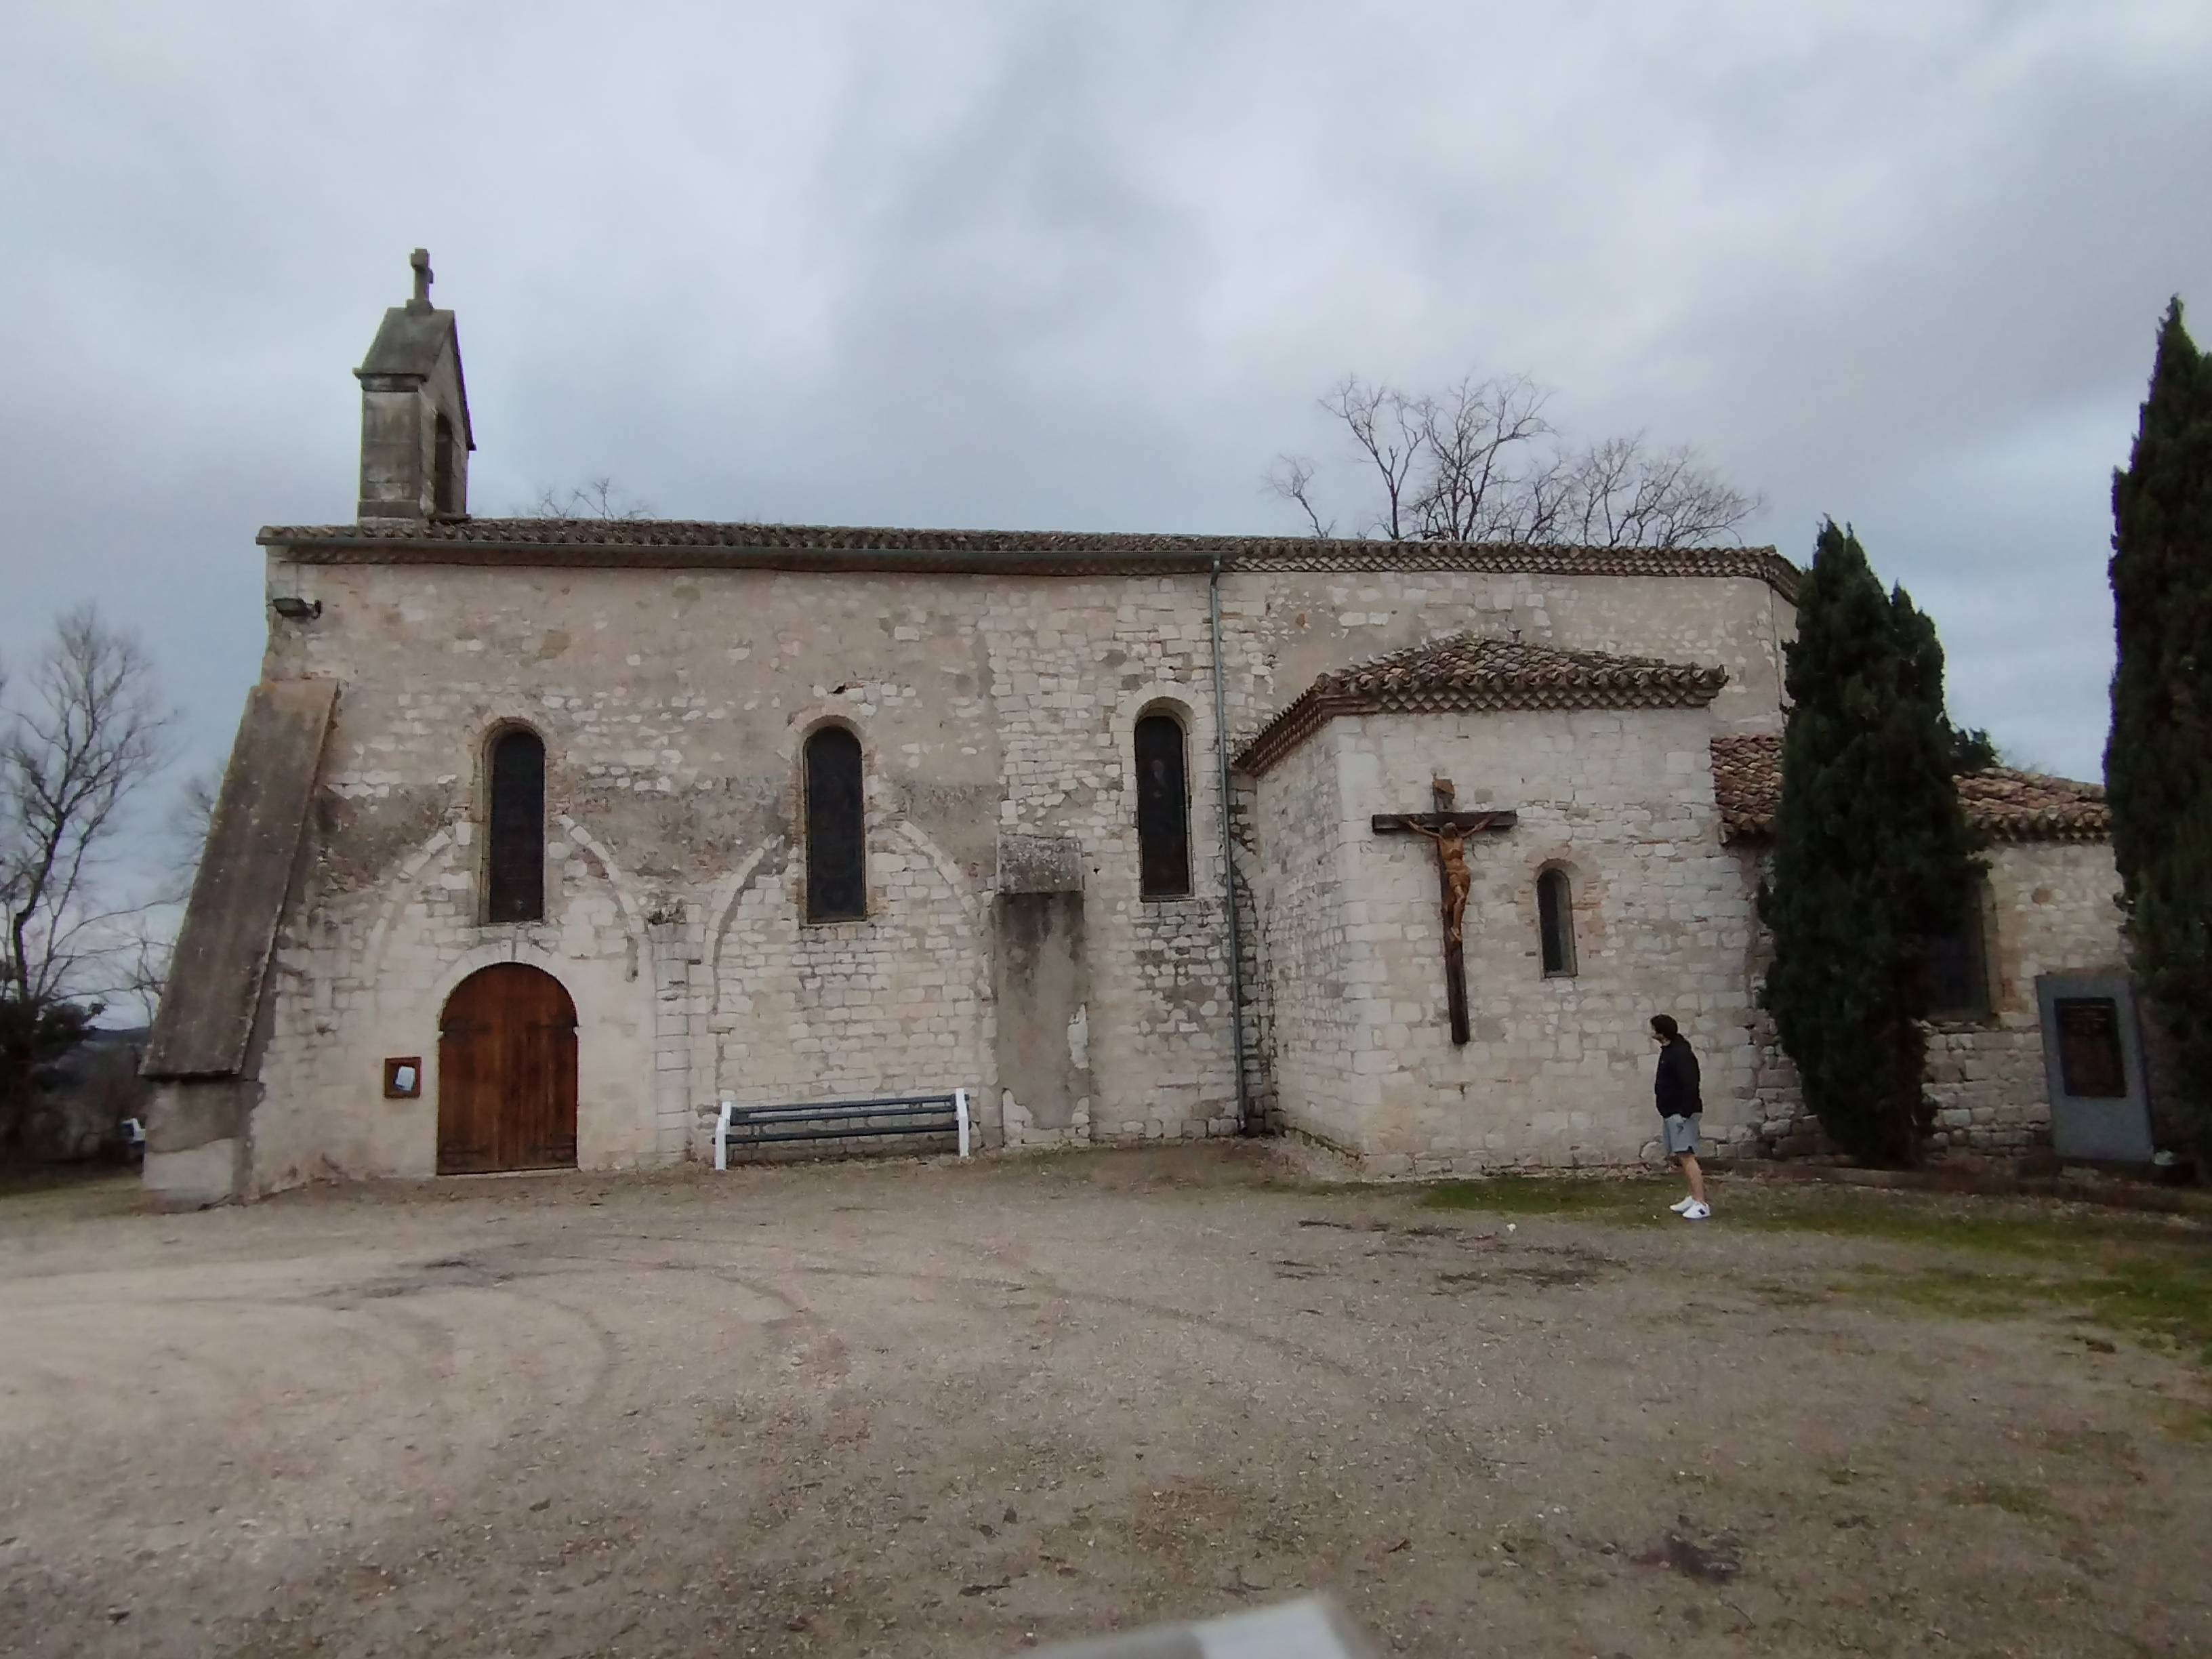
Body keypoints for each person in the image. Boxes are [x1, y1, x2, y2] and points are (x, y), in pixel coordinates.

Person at [1650, 1014, 1709, 1219]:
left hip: (1682, 1113)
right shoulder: (1669, 1051)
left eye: (1653, 1028)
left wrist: (1685, 1112)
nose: (1651, 1032)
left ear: (1661, 1031)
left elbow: (1691, 1082)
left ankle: (1701, 1203)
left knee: (1687, 1155)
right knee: (1682, 1157)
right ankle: (1693, 1197)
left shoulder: (1680, 1053)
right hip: (1672, 1112)